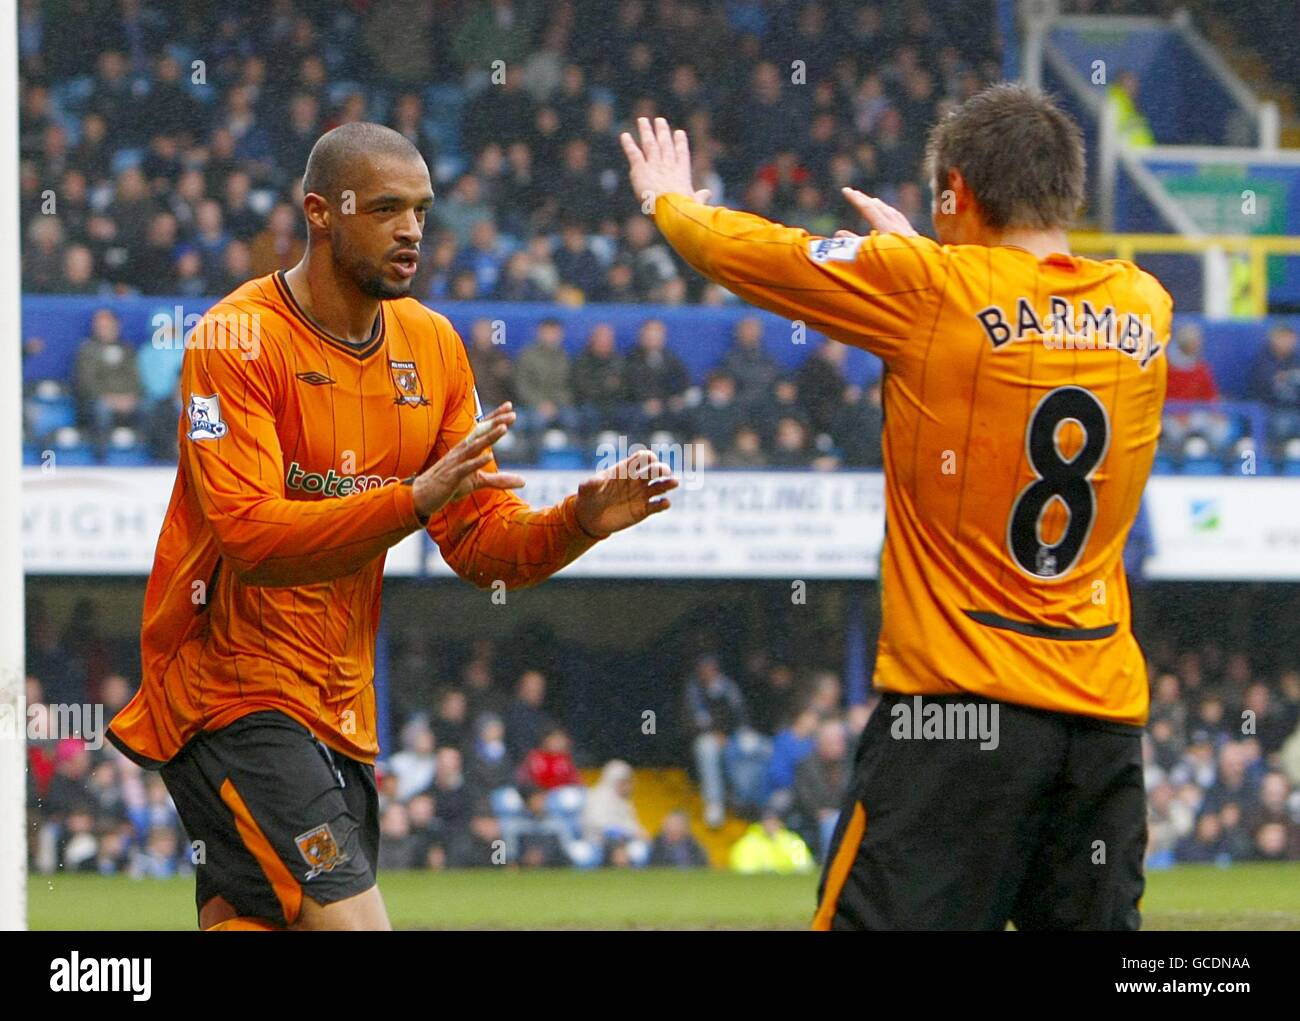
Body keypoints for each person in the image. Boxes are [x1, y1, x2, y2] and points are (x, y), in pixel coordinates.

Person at [623, 83, 1172, 930]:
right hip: (1101, 723)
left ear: (955, 190)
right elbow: (1028, 329)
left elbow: (755, 254)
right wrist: (930, 259)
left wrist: (669, 204)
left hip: (957, 712)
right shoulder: (1145, 306)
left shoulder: (927, 289)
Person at [108, 122, 678, 932]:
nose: (411, 230)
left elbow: (482, 545)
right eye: (385, 208)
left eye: (420, 210)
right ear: (320, 212)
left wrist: (576, 523)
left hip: (341, 709)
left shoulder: (434, 347)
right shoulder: (237, 340)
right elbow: (250, 538)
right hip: (229, 692)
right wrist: (409, 499)